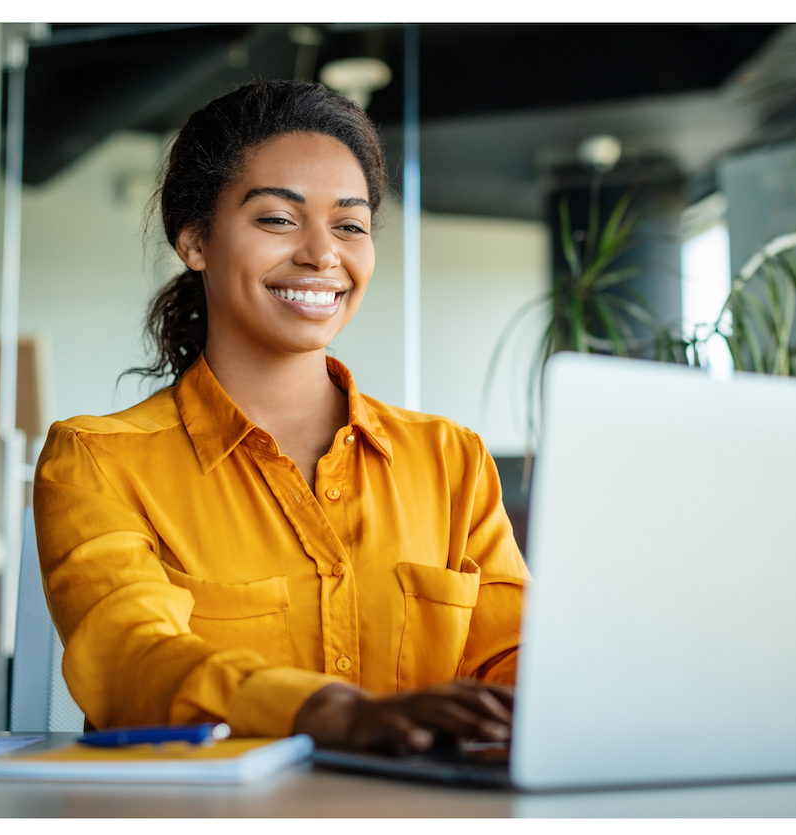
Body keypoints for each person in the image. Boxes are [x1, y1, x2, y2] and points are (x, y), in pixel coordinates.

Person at [33, 79, 530, 753]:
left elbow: (516, 659)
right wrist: (326, 712)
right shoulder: (97, 460)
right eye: (277, 218)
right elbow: (129, 658)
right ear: (195, 240)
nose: (323, 254)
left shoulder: (449, 461)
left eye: (350, 225)